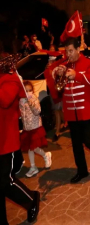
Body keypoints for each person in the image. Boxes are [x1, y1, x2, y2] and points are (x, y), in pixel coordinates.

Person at [51, 37, 90, 183]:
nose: (68, 54)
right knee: (76, 144)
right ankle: (82, 171)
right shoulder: (65, 64)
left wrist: (77, 75)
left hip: (86, 110)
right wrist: (58, 75)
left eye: (70, 51)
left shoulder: (89, 62)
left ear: (78, 49)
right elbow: (59, 88)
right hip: (71, 111)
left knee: (88, 139)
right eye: (66, 51)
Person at [0, 63, 40, 224]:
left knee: (5, 181)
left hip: (5, 140)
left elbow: (5, 100)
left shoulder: (11, 78)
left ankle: (31, 198)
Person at [19, 81, 52, 177]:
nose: (28, 92)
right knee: (30, 148)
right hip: (27, 128)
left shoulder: (34, 99)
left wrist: (31, 103)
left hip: (35, 127)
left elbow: (37, 111)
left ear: (33, 91)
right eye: (26, 90)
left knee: (34, 147)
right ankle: (33, 167)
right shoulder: (21, 101)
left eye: (30, 90)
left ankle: (46, 156)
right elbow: (21, 114)